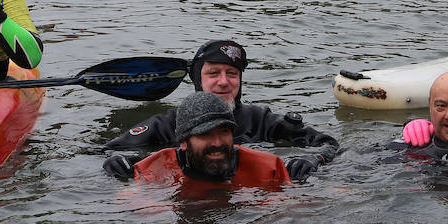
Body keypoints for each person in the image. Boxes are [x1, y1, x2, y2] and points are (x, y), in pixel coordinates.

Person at [104, 39, 339, 181]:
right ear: (198, 80)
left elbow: (328, 144)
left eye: (232, 74)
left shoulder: (261, 120)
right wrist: (116, 161)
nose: (224, 82)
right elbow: (110, 150)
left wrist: (313, 159)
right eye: (213, 73)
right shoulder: (168, 123)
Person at [131, 92, 291, 190]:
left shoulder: (268, 169)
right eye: (205, 134)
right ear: (183, 142)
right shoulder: (153, 173)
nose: (217, 143)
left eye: (224, 132)